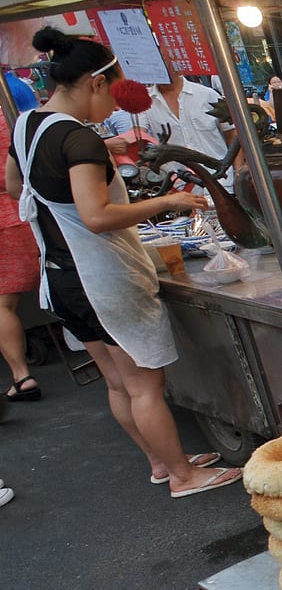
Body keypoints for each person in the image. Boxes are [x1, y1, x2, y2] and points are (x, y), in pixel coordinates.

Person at [5, 27, 241, 497]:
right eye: (113, 91)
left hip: (61, 279)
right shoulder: (80, 140)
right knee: (144, 388)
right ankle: (184, 476)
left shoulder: (28, 124)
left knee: (116, 383)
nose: (114, 106)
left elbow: (17, 187)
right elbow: (97, 217)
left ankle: (161, 462)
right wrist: (165, 203)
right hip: (102, 279)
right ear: (95, 83)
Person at [1, 86, 41, 402]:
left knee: (3, 305)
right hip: (32, 211)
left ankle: (21, 375)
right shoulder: (10, 119)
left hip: (8, 217)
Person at [146, 66, 235, 190]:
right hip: (178, 187)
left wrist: (238, 171)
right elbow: (138, 135)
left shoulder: (206, 94)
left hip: (221, 182)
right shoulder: (145, 102)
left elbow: (232, 135)